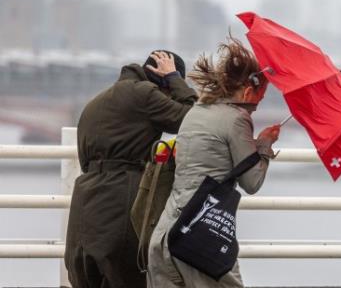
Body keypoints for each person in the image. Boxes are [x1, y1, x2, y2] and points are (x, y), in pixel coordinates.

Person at [147, 37, 280, 288]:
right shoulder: (237, 118)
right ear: (248, 91)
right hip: (201, 237)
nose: (256, 108)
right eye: (259, 99)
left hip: (164, 236)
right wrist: (263, 145)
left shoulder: (197, 110)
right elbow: (252, 182)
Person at [65, 51, 198, 288]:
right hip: (123, 196)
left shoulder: (96, 102)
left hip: (84, 200)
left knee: (87, 277)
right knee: (127, 272)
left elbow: (84, 160)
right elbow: (194, 119)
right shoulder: (143, 93)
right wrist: (176, 78)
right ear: (162, 80)